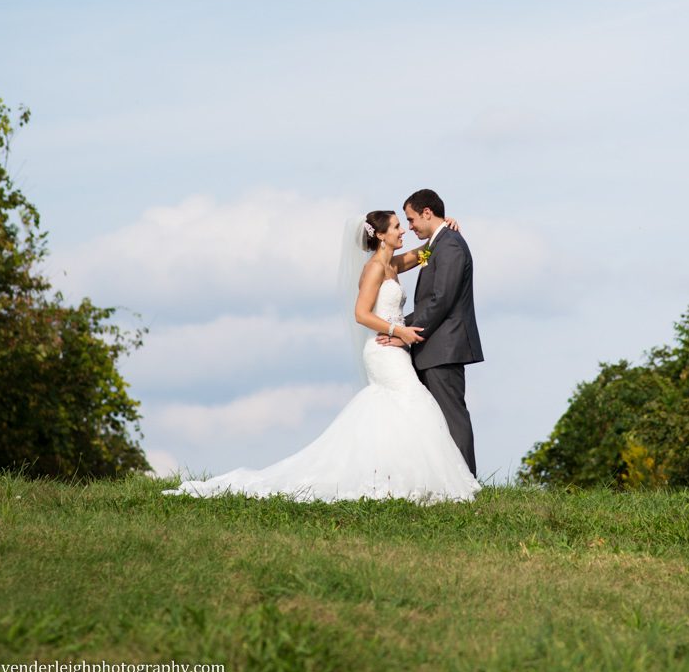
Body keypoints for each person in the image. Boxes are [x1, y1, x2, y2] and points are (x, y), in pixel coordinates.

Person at [163, 208, 480, 502]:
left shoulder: (392, 265)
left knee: (403, 411)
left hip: (396, 350)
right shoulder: (372, 269)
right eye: (398, 227)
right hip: (384, 351)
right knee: (413, 403)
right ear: (381, 235)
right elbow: (361, 314)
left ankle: (402, 476)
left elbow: (425, 253)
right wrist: (400, 332)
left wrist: (443, 228)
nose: (403, 232)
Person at [379, 188, 483, 474]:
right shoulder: (435, 246)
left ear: (427, 212)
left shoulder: (448, 245)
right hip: (432, 346)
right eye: (403, 224)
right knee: (435, 419)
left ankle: (466, 480)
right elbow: (419, 266)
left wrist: (401, 331)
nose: (409, 227)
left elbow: (440, 299)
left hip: (443, 348)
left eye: (411, 220)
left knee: (451, 417)